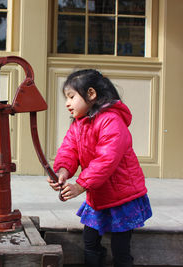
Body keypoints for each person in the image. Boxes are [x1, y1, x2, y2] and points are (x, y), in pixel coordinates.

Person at [48, 69, 152, 267]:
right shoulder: (78, 124)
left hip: (123, 196)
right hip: (98, 195)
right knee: (90, 242)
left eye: (71, 97)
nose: (67, 103)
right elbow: (69, 150)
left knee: (121, 249)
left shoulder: (112, 121)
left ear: (91, 94)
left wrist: (81, 185)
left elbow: (106, 159)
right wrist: (61, 171)